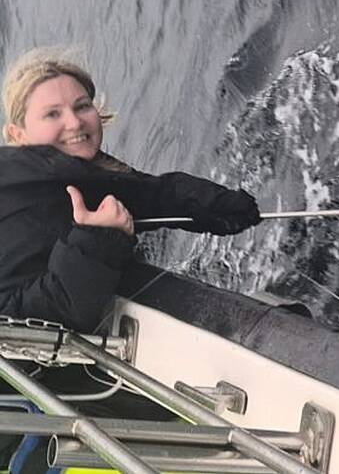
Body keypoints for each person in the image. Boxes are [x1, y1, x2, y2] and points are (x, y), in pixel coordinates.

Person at [0, 47, 263, 471]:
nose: (74, 122)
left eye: (82, 105)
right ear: (18, 133)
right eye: (52, 115)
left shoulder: (54, 172)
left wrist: (215, 207)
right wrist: (98, 239)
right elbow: (35, 319)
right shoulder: (28, 186)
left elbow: (148, 195)